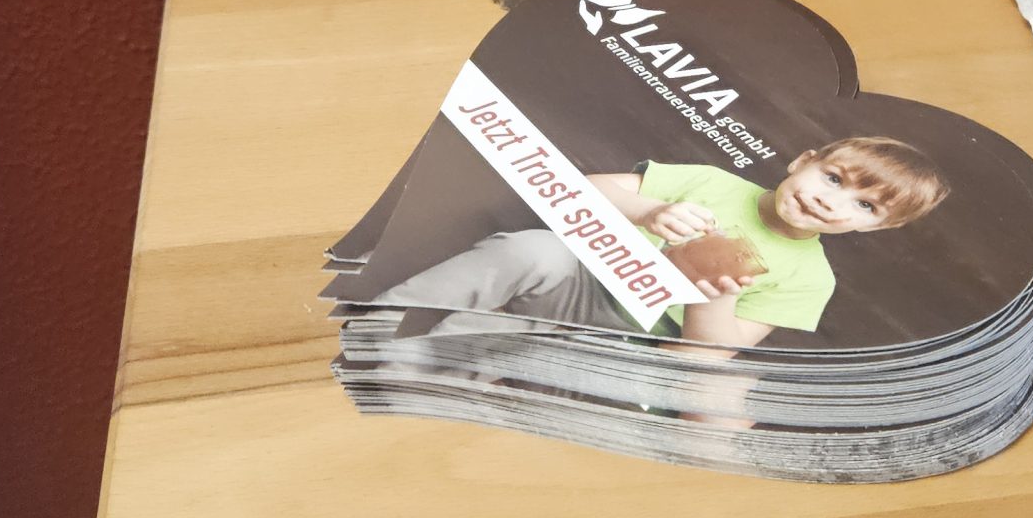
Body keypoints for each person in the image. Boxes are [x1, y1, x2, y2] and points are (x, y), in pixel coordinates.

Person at [375, 137, 949, 353]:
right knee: (533, 249)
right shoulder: (714, 183)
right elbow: (579, 190)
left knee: (511, 352)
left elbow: (707, 356)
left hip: (631, 339)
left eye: (865, 206)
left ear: (878, 229)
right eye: (833, 178)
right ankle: (382, 315)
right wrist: (648, 211)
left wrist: (716, 299)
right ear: (804, 161)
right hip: (583, 279)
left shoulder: (810, 279)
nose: (830, 201)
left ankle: (429, 372)